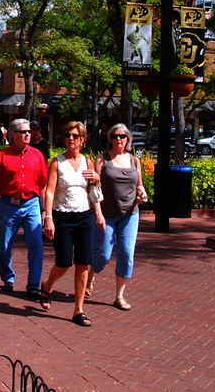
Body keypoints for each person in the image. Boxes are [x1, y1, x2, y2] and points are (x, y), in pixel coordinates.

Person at [37, 122, 102, 326]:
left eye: (75, 136)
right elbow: (49, 191)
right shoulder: (57, 163)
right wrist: (48, 218)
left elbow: (93, 191)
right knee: (63, 263)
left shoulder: (88, 162)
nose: (70, 139)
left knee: (83, 263)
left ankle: (78, 310)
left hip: (84, 217)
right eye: (67, 135)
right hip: (63, 216)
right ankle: (47, 286)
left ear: (82, 139)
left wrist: (98, 179)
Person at [0, 117, 48, 298]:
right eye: (23, 132)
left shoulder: (37, 155)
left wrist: (45, 212)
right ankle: (8, 277)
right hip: (8, 206)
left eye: (29, 132)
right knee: (4, 246)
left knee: (36, 245)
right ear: (13, 134)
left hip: (32, 204)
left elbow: (43, 185)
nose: (28, 135)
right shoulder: (2, 156)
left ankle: (33, 285)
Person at [86, 123, 147, 311]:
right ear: (110, 139)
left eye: (122, 136)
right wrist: (97, 212)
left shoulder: (134, 161)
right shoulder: (102, 159)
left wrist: (142, 193)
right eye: (115, 136)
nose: (118, 139)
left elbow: (139, 185)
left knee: (127, 254)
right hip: (107, 214)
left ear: (128, 139)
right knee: (103, 253)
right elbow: (94, 186)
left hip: (130, 214)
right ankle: (91, 274)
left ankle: (119, 296)